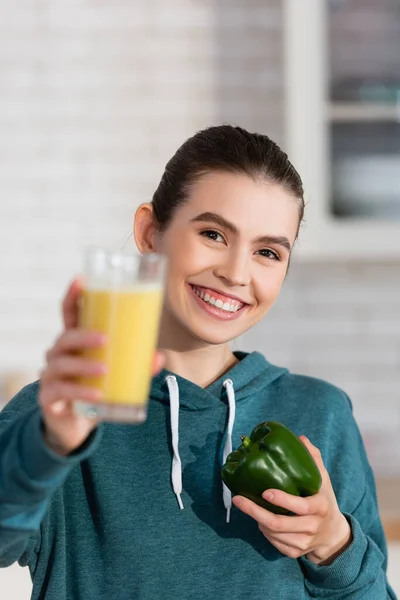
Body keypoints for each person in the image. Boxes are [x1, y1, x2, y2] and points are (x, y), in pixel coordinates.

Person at [0, 125, 396, 600]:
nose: (235, 272)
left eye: (267, 252)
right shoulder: (60, 416)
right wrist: (47, 445)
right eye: (213, 234)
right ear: (150, 231)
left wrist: (334, 544)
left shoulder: (322, 414)